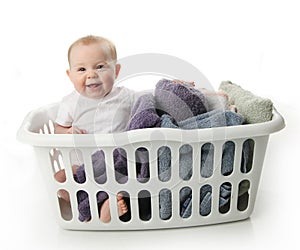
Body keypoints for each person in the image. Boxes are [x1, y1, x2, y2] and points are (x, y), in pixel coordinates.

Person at [54, 35, 196, 223]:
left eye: (100, 66)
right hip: (86, 166)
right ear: (70, 75)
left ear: (116, 71)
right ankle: (87, 205)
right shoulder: (70, 103)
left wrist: (172, 88)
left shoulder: (126, 97)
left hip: (120, 163)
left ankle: (103, 208)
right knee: (60, 177)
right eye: (81, 69)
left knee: (129, 184)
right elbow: (58, 128)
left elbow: (151, 102)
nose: (91, 74)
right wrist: (67, 132)